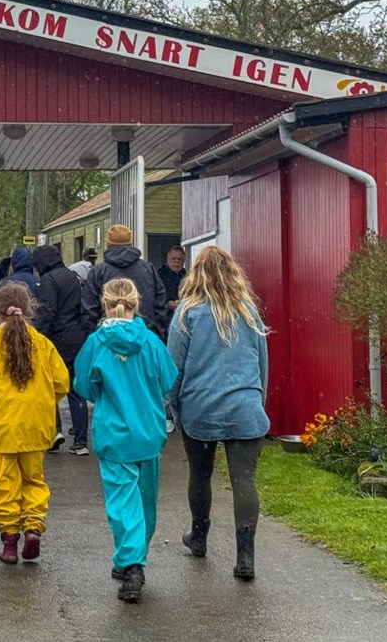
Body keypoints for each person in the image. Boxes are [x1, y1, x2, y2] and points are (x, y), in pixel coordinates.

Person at [166, 245, 269, 582]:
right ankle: (247, 557)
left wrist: (173, 407)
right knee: (244, 480)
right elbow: (262, 365)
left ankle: (199, 537)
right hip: (246, 407)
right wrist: (257, 401)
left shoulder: (186, 313)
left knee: (200, 473)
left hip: (201, 408)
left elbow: (173, 369)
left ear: (196, 274)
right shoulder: (249, 311)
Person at [74, 278, 179, 603]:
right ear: (137, 304)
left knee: (122, 503)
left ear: (105, 304)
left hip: (115, 434)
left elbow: (84, 385)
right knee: (145, 501)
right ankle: (132, 556)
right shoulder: (150, 342)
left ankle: (131, 562)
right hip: (148, 432)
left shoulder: (97, 343)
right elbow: (169, 379)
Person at [0, 283, 69, 564]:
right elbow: (62, 382)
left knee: (6, 485)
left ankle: (9, 542)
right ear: (29, 309)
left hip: (4, 428)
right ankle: (33, 529)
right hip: (36, 426)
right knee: (34, 480)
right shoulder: (42, 344)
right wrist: (44, 400)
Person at [32, 244, 91, 456]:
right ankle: (81, 440)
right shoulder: (74, 277)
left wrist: (35, 336)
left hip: (57, 340)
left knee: (51, 388)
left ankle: (53, 433)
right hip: (77, 338)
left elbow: (47, 312)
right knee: (76, 391)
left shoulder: (49, 280)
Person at [83, 224, 167, 337]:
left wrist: (96, 338)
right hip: (144, 338)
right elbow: (160, 306)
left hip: (107, 340)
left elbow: (89, 311)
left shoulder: (97, 272)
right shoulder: (148, 270)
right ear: (131, 244)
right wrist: (157, 335)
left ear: (108, 244)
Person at [158, 245, 188, 314]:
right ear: (168, 260)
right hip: (163, 317)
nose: (176, 261)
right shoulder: (158, 276)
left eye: (179, 259)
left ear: (184, 261)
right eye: (174, 258)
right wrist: (166, 305)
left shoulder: (188, 277)